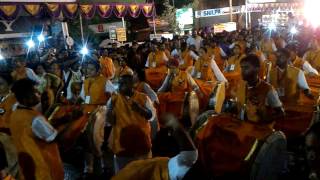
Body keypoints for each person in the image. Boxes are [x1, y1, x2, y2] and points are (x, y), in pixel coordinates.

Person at [111, 113, 198, 180]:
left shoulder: (121, 166)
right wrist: (175, 125)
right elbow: (189, 157)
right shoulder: (157, 166)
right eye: (147, 137)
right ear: (147, 143)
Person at [9, 79, 64, 180]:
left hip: (25, 165)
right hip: (42, 167)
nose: (38, 93)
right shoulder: (35, 119)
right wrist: (64, 122)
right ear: (26, 97)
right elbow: (53, 137)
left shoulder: (15, 111)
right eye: (34, 91)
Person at [106, 73, 154, 173]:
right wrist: (110, 110)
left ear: (133, 85)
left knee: (143, 173)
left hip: (141, 144)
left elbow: (151, 116)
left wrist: (140, 109)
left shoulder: (143, 98)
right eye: (119, 83)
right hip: (121, 145)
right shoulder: (113, 99)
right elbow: (110, 122)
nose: (120, 86)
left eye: (124, 83)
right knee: (123, 173)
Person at [232, 54, 284, 125]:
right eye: (242, 68)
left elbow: (281, 113)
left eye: (246, 68)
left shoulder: (268, 89)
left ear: (257, 69)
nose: (242, 71)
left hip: (259, 131)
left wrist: (265, 119)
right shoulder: (241, 85)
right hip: (242, 128)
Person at [158, 59, 202, 126]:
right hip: (173, 95)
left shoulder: (185, 74)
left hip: (183, 95)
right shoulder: (169, 76)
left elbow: (193, 85)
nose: (170, 69)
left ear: (176, 67)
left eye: (171, 68)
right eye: (169, 68)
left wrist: (199, 92)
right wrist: (157, 92)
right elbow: (163, 87)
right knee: (161, 97)